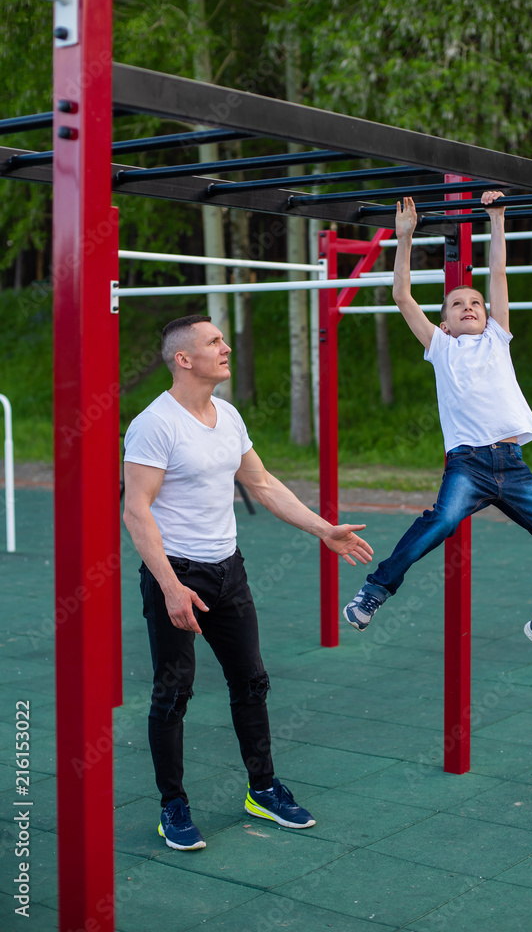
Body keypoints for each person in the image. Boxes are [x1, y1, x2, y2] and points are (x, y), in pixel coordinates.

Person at [123, 315, 373, 850]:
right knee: (173, 693)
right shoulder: (154, 424)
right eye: (214, 341)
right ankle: (174, 805)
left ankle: (262, 789)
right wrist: (169, 586)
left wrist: (323, 528)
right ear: (183, 359)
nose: (226, 347)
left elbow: (260, 482)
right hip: (178, 575)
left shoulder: (228, 415)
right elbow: (136, 512)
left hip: (227, 571)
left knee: (252, 682)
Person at [343, 192, 532, 674]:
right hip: (469, 465)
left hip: (512, 466)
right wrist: (405, 238)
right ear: (446, 322)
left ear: (488, 315)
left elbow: (497, 274)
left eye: (475, 303)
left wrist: (497, 219)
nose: (469, 306)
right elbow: (401, 297)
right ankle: (375, 591)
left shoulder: (498, 336)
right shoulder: (440, 348)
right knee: (442, 521)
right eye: (457, 304)